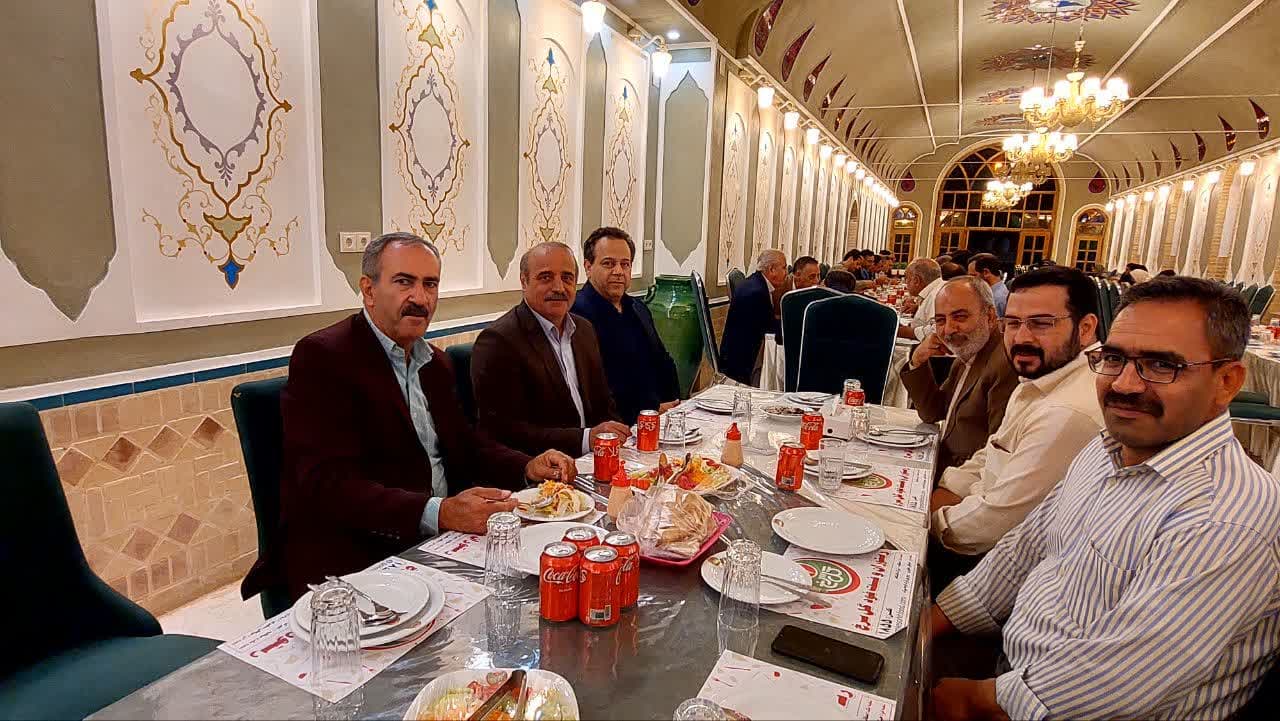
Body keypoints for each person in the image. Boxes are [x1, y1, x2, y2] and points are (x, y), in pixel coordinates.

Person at [931, 276, 1280, 721]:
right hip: (1012, 663)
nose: (1125, 385)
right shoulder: (1108, 448)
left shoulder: (1222, 519)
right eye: (1114, 359)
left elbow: (1118, 682)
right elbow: (1026, 548)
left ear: (1226, 381)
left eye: (1161, 365)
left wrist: (971, 699)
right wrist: (933, 621)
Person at [246, 232, 576, 600]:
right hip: (360, 560)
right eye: (404, 282)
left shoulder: (435, 363)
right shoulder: (324, 357)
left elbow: (465, 446)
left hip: (439, 545)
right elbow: (327, 484)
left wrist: (527, 465)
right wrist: (439, 512)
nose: (420, 298)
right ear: (369, 290)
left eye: (430, 284)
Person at [927, 266, 1104, 586]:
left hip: (992, 568)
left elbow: (994, 522)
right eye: (1013, 323)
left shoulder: (1066, 412)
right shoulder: (1042, 378)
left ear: (1086, 328)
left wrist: (924, 524)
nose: (1021, 338)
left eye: (1041, 323)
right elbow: (993, 451)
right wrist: (945, 489)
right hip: (973, 530)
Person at [472, 241, 629, 457]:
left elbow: (604, 404)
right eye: (546, 277)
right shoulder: (498, 341)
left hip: (594, 458)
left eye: (567, 278)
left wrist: (617, 436)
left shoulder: (584, 329)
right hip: (540, 468)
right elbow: (506, 432)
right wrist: (586, 439)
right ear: (524, 281)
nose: (559, 288)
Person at [900, 277, 1018, 482]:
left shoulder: (1005, 366)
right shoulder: (970, 352)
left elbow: (996, 459)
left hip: (960, 480)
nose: (948, 329)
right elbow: (933, 411)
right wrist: (918, 360)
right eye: (940, 320)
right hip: (940, 465)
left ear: (990, 317)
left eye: (960, 317)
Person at [570, 227, 681, 425]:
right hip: (613, 426)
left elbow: (663, 361)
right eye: (608, 263)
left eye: (625, 264)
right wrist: (652, 409)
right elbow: (596, 384)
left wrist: (673, 405)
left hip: (658, 419)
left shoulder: (638, 308)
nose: (618, 272)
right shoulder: (576, 315)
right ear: (588, 267)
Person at [720, 249, 787, 384]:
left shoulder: (755, 283)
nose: (786, 273)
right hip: (742, 365)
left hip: (737, 355)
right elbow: (771, 331)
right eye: (784, 268)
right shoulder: (757, 292)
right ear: (772, 269)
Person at [898, 258, 944, 340]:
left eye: (906, 278)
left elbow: (938, 330)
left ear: (916, 280)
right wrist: (918, 309)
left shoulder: (937, 295)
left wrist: (908, 332)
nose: (906, 282)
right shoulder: (939, 288)